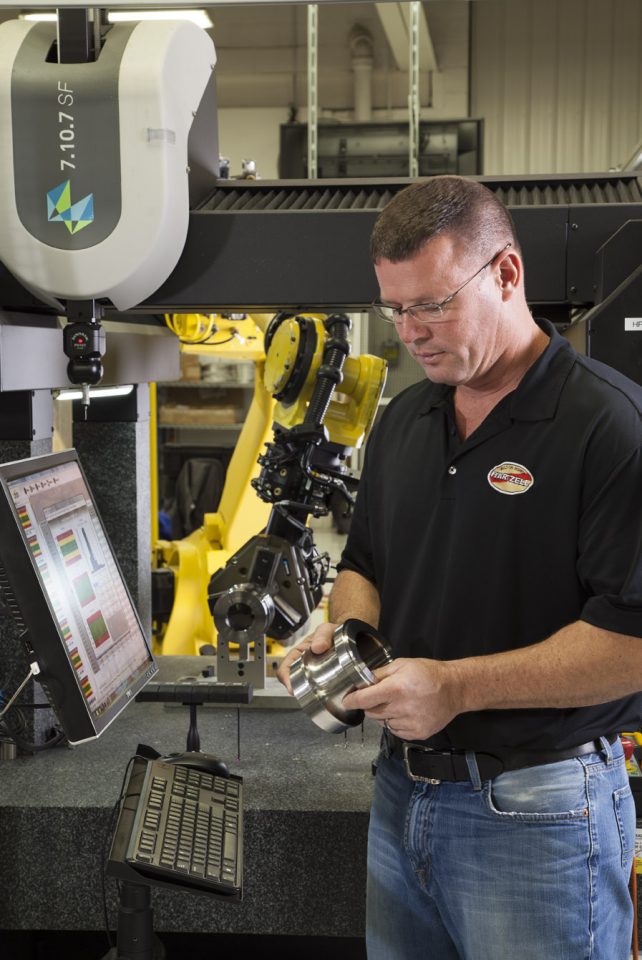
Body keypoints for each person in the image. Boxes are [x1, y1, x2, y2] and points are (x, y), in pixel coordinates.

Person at [277, 175, 642, 960]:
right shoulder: (407, 418)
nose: (410, 331)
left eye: (433, 304)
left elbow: (633, 643)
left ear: (507, 274)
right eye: (395, 309)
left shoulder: (607, 427)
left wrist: (455, 687)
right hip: (401, 794)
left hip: (537, 813)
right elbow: (366, 562)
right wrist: (344, 633)